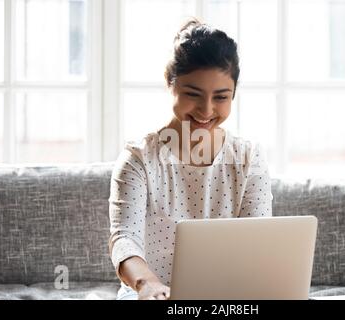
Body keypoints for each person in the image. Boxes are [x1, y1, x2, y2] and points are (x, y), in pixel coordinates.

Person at [108, 17, 273, 300]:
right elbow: (125, 239)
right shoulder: (138, 159)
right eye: (193, 94)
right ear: (169, 84)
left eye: (221, 97)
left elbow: (256, 245)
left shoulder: (249, 158)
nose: (206, 110)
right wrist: (147, 284)